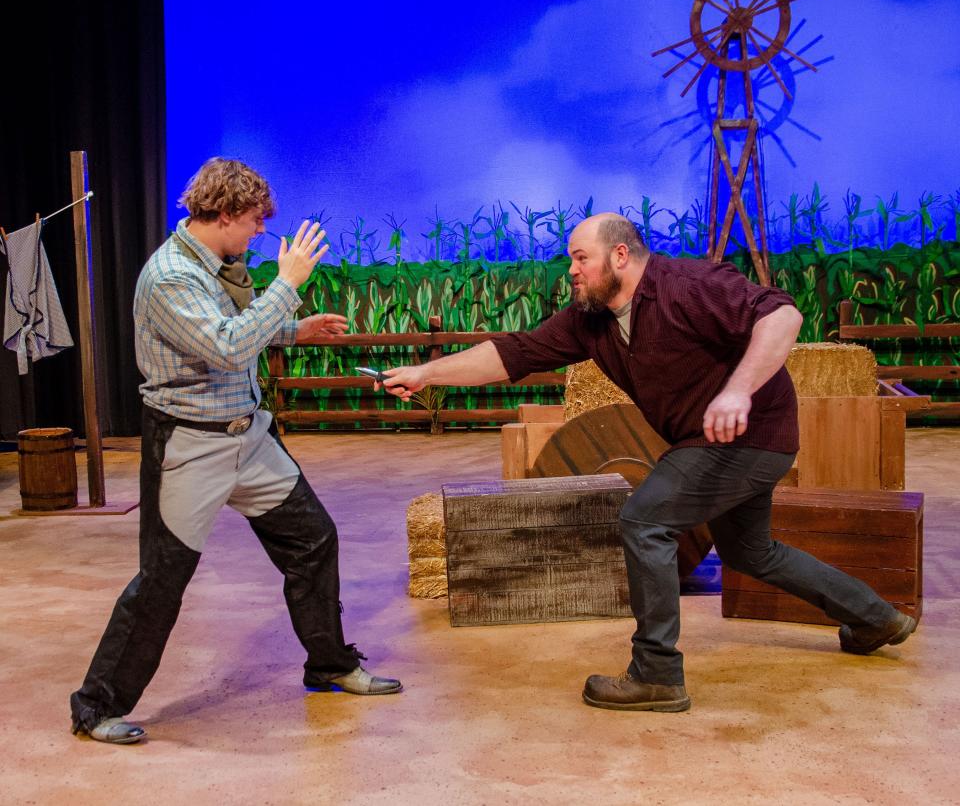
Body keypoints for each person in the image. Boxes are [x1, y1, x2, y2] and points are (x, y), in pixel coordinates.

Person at [374, 211, 916, 713]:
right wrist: (427, 374)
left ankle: (657, 674)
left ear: (619, 256)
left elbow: (782, 315)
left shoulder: (690, 285)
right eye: (571, 260)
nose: (572, 271)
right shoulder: (592, 322)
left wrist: (738, 392)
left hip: (750, 434)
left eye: (580, 258)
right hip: (709, 442)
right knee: (752, 553)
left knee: (644, 518)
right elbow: (511, 353)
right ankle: (876, 619)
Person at [70, 157, 401, 745]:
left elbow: (234, 325)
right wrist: (289, 284)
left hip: (246, 438)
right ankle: (95, 707)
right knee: (163, 578)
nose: (258, 232)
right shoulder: (170, 275)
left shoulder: (215, 264)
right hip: (191, 446)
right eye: (252, 221)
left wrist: (297, 330)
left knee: (313, 537)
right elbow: (225, 348)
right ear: (222, 214)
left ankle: (329, 664)